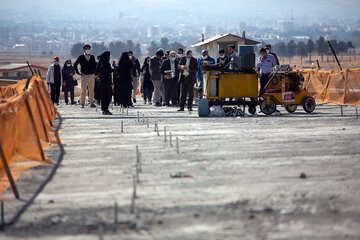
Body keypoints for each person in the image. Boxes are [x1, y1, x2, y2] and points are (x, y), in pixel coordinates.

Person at [74, 44, 97, 108]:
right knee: (83, 90)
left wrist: (95, 74)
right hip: (84, 76)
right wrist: (78, 73)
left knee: (91, 90)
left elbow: (94, 65)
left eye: (89, 49)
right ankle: (82, 103)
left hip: (91, 75)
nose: (87, 50)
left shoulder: (92, 57)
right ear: (84, 50)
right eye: (86, 49)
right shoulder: (81, 57)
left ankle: (91, 103)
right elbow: (75, 64)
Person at [95, 51, 113, 115]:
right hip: (105, 82)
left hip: (103, 82)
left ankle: (105, 109)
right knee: (106, 96)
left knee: (105, 96)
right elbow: (107, 75)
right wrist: (111, 83)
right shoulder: (105, 64)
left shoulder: (103, 64)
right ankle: (105, 109)